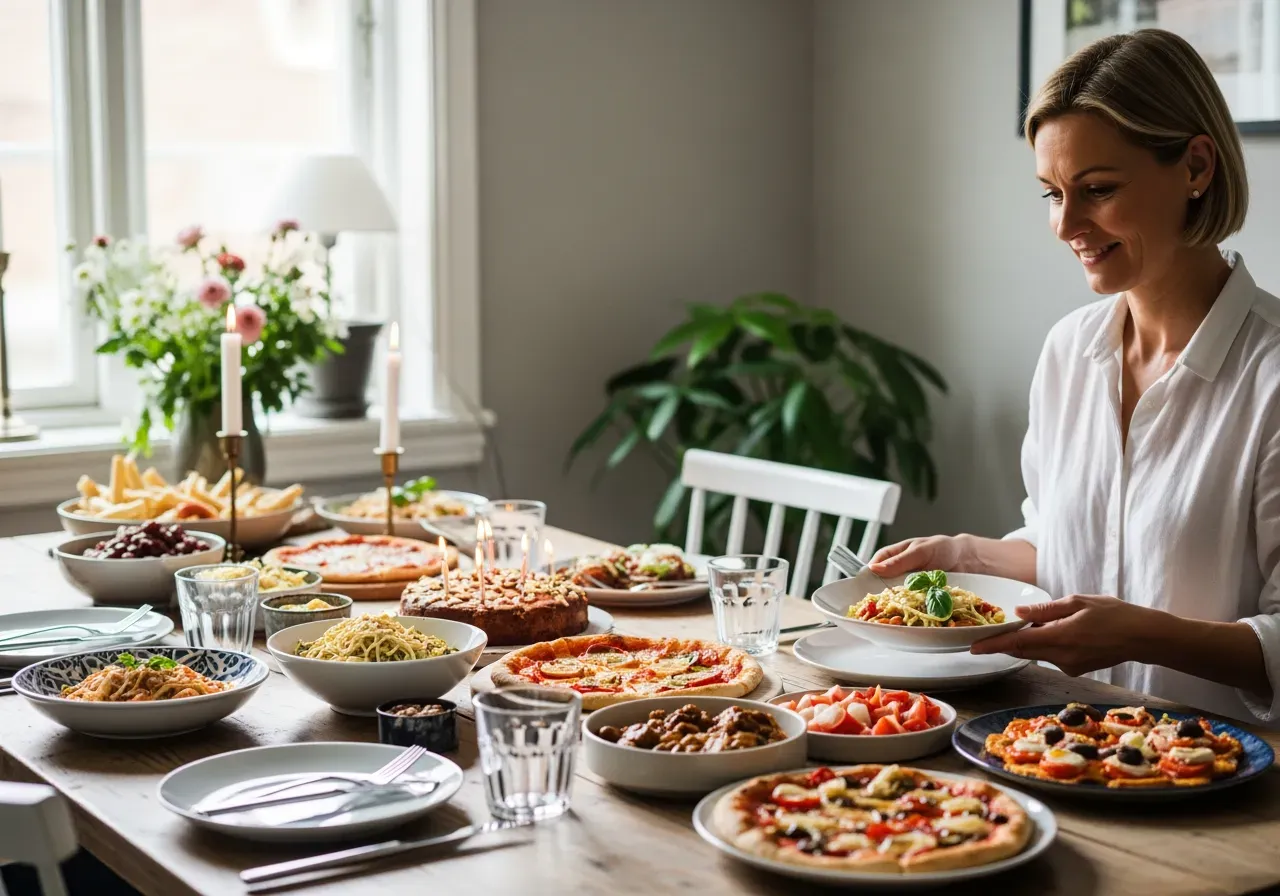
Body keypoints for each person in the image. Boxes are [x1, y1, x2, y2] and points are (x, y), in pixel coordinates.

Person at [869, 29, 1280, 725]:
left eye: (1097, 189)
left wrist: (1144, 634)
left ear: (1197, 167)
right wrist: (963, 554)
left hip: (1226, 787)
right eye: (1051, 194)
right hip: (1056, 746)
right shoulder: (1069, 352)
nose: (1067, 225)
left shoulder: (1269, 378)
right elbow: (1070, 546)